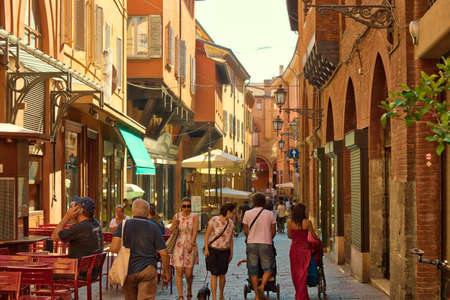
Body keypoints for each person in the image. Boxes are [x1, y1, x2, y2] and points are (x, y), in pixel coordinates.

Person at [110, 199, 169, 300]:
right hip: (148, 269)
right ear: (147, 212)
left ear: (132, 211)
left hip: (128, 270)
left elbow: (114, 248)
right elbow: (164, 252)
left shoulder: (123, 225)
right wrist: (165, 271)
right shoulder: (153, 227)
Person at [243, 192, 276, 300]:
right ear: (264, 202)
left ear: (253, 202)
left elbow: (246, 231)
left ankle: (257, 295)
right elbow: (273, 231)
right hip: (266, 243)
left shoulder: (247, 213)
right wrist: (267, 237)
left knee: (253, 269)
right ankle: (262, 286)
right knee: (268, 268)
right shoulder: (270, 214)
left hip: (251, 243)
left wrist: (252, 236)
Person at [204, 203, 236, 300]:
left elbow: (230, 239)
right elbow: (207, 235)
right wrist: (206, 248)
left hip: (224, 251)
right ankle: (214, 297)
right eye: (233, 212)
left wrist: (231, 252)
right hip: (213, 251)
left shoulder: (231, 223)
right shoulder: (214, 220)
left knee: (222, 274)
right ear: (228, 211)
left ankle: (221, 295)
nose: (233, 214)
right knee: (214, 274)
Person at [287, 203, 319, 300]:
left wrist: (297, 237)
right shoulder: (307, 222)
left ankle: (300, 295)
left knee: (296, 274)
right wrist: (318, 239)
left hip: (294, 250)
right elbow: (314, 236)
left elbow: (289, 236)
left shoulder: (289, 222)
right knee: (303, 273)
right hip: (305, 250)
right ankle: (302, 296)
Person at [170, 197, 199, 300]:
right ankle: (181, 295)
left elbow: (195, 231)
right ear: (181, 207)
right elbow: (171, 230)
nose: (186, 208)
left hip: (190, 244)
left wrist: (192, 244)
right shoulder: (177, 216)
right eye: (184, 206)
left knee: (188, 273)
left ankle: (189, 288)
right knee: (179, 270)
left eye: (188, 206)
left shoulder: (194, 216)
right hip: (178, 245)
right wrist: (175, 224)